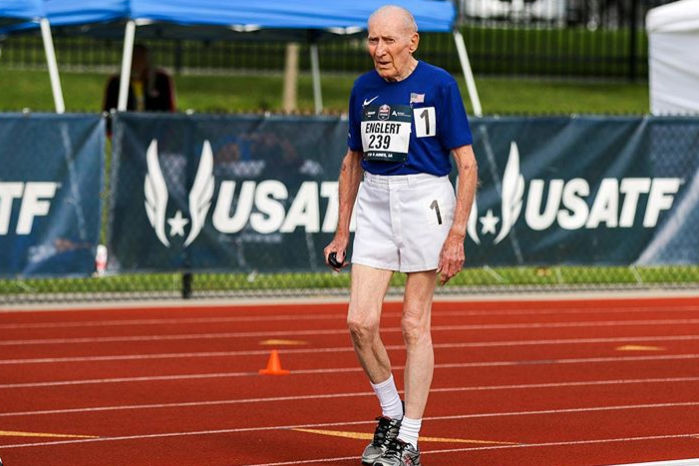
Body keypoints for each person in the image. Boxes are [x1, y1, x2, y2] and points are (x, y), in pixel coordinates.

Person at [323, 5, 478, 466]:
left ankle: (409, 438)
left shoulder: (440, 84)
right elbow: (352, 161)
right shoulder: (362, 88)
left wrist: (456, 235)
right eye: (372, 39)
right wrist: (341, 232)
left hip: (424, 202)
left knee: (413, 323)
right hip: (375, 202)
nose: (379, 50)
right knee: (359, 322)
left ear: (413, 42)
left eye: (388, 40)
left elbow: (466, 164)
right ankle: (391, 414)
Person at [102, 44, 176, 113]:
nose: (137, 62)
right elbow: (108, 110)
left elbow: (169, 110)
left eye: (141, 58)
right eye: (134, 58)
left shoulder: (161, 80)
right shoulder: (116, 82)